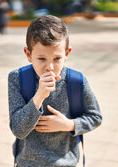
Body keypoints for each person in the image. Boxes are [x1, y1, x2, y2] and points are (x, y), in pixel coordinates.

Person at [8, 15, 102, 167]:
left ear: (67, 54)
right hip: (27, 163)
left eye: (57, 59)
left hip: (65, 163)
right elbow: (18, 130)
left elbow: (95, 117)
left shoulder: (76, 81)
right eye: (42, 59)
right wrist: (39, 96)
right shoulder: (17, 79)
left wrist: (70, 125)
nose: (50, 67)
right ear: (28, 55)